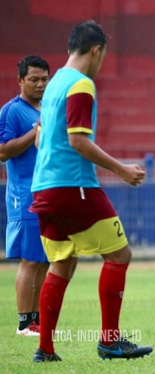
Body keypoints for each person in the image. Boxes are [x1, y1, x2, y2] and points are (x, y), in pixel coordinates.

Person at [29, 20, 152, 363]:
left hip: (44, 189)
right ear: (96, 50)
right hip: (74, 185)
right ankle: (110, 342)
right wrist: (123, 170)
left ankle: (46, 349)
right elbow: (78, 140)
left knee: (62, 263)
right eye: (102, 57)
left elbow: (41, 138)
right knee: (120, 255)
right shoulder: (82, 84)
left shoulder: (53, 85)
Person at [0, 55, 50, 336]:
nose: (40, 84)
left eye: (44, 79)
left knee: (44, 259)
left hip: (46, 192)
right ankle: (23, 323)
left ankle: (37, 320)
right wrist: (34, 133)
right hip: (23, 195)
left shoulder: (45, 110)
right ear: (20, 80)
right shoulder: (12, 111)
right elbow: (3, 150)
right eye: (33, 79)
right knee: (29, 260)